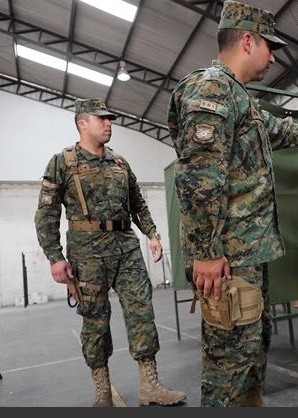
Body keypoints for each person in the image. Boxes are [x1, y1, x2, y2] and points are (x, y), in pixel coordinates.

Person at [167, 0, 298, 407]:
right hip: (226, 260)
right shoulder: (211, 89)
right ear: (248, 41)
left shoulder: (239, 98)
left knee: (250, 358)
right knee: (227, 371)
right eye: (270, 47)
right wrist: (206, 254)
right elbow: (198, 179)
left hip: (247, 256)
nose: (273, 57)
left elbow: (276, 129)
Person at [34, 98, 186, 407]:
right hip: (87, 254)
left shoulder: (120, 163)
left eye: (110, 119)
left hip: (126, 248)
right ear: (82, 123)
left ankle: (150, 385)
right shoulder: (62, 162)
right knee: (95, 322)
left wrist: (152, 234)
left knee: (142, 313)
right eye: (101, 118)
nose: (108, 124)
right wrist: (55, 257)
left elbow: (137, 204)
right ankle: (102, 391)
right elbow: (46, 214)